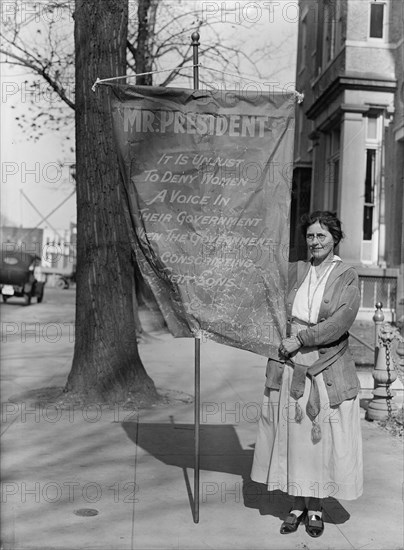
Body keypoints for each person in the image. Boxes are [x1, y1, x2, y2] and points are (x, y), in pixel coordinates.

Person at [251, 210, 363, 538]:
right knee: (295, 439)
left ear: (335, 239)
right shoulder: (296, 271)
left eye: (321, 236)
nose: (314, 242)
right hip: (290, 365)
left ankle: (315, 507)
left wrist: (300, 338)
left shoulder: (346, 275)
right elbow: (267, 296)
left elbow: (340, 321)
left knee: (320, 439)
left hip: (326, 367)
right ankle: (298, 503)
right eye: (311, 236)